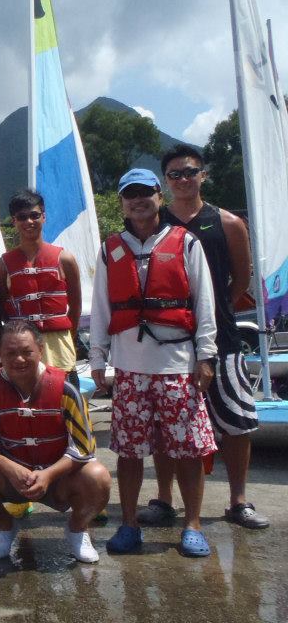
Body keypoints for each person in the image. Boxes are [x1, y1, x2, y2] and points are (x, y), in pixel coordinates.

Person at [132, 145, 268, 529]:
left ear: (202, 175)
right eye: (174, 174)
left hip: (221, 338)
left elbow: (240, 280)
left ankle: (238, 500)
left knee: (237, 419)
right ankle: (164, 499)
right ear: (165, 182)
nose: (183, 179)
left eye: (190, 171)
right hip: (167, 342)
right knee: (164, 426)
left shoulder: (227, 223)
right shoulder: (155, 226)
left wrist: (210, 311)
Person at [89, 168, 218, 557]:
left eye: (146, 193)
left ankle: (192, 525)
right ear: (122, 202)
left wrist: (206, 356)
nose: (138, 200)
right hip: (129, 368)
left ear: (159, 197)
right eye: (130, 194)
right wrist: (98, 356)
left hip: (178, 365)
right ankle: (129, 525)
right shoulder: (111, 248)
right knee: (128, 452)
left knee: (188, 450)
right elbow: (100, 308)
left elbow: (204, 302)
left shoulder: (186, 243)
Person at [0, 320, 110, 563]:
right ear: (0, 354)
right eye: (11, 353)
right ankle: (5, 526)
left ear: (40, 349)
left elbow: (84, 447)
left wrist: (48, 474)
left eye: (27, 352)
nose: (19, 359)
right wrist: (10, 468)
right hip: (9, 478)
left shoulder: (66, 389)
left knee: (98, 476)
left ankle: (77, 530)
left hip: (59, 477)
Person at [0, 189, 82, 374]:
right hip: (21, 348)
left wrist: (67, 335)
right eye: (22, 217)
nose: (29, 222)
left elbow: (75, 307)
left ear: (44, 217)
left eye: (34, 215)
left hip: (59, 344)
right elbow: (1, 310)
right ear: (14, 221)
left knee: (63, 399)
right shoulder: (3, 266)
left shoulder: (65, 259)